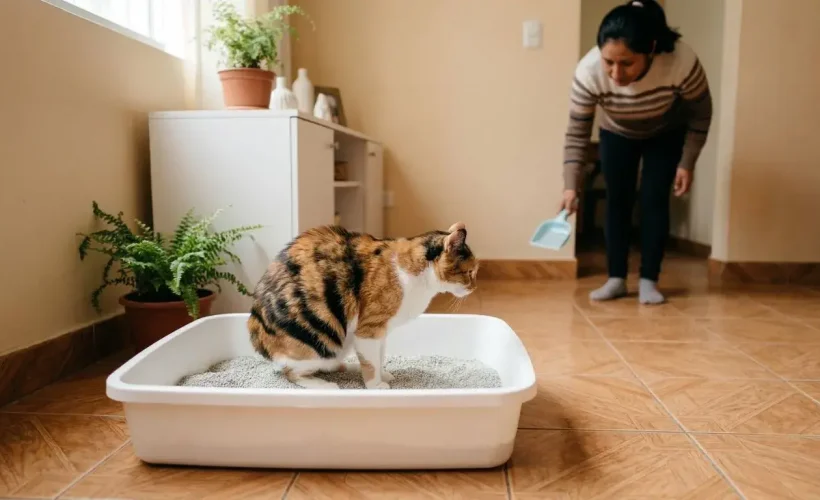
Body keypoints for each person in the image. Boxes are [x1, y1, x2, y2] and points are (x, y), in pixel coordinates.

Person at [560, 0, 712, 305]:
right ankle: (616, 278)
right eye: (609, 62)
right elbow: (576, 133)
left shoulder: (681, 61)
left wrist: (687, 162)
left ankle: (649, 281)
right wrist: (570, 185)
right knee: (618, 200)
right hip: (616, 132)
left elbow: (700, 114)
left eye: (627, 63)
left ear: (651, 50)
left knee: (654, 199)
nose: (616, 73)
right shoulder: (588, 71)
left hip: (666, 132)